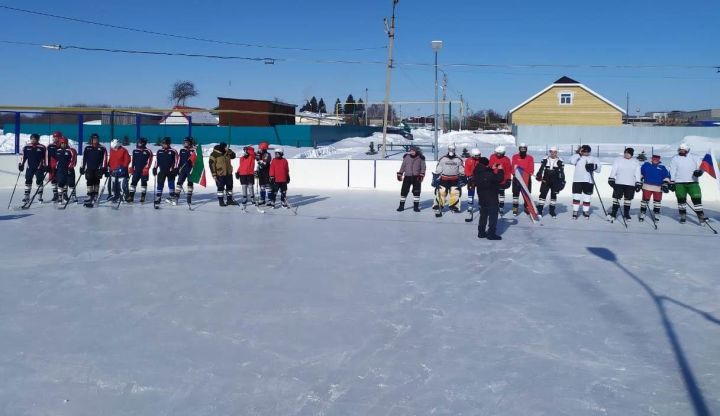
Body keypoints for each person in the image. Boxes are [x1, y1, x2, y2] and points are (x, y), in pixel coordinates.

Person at [669, 143, 705, 223]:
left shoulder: (695, 157)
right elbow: (672, 170)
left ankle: (701, 216)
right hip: (679, 183)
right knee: (681, 200)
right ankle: (683, 216)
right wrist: (672, 182)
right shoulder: (675, 158)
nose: (681, 151)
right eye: (680, 149)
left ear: (687, 150)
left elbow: (702, 167)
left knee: (697, 200)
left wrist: (700, 172)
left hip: (693, 182)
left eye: (683, 149)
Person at [473, 156, 504, 240]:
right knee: (493, 216)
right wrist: (500, 170)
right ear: (486, 164)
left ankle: (481, 232)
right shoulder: (488, 173)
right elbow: (499, 178)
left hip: (482, 198)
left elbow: (485, 175)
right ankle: (491, 234)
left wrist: (491, 168)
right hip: (492, 198)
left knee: (483, 215)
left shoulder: (476, 172)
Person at [608, 147, 642, 222]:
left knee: (628, 199)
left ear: (631, 154)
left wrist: (638, 183)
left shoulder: (635, 162)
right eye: (625, 153)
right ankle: (613, 213)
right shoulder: (618, 160)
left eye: (628, 153)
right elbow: (614, 169)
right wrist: (611, 178)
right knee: (616, 198)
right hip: (619, 182)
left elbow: (637, 173)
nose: (626, 154)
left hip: (630, 184)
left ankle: (626, 214)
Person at [569, 144, 601, 219]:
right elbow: (572, 161)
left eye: (587, 151)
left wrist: (594, 167)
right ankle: (575, 211)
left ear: (589, 152)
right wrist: (579, 154)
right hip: (577, 180)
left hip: (589, 181)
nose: (586, 153)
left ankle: (585, 211)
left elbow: (599, 170)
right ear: (581, 151)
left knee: (587, 196)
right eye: (584, 151)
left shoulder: (594, 159)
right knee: (576, 196)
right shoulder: (577, 157)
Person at [432, 143, 465, 216]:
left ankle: (454, 206)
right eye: (450, 149)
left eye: (453, 149)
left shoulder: (458, 159)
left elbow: (461, 169)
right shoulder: (443, 158)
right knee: (441, 192)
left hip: (455, 179)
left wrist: (463, 175)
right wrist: (436, 176)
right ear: (448, 149)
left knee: (455, 193)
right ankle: (438, 205)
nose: (451, 151)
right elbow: (439, 168)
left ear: (454, 150)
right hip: (444, 179)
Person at [535, 146, 565, 218]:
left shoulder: (560, 160)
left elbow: (562, 172)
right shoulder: (545, 159)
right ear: (550, 152)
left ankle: (552, 211)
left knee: (553, 196)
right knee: (543, 194)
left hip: (555, 180)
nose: (553, 154)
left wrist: (562, 181)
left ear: (556, 153)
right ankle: (540, 210)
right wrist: (539, 174)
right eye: (551, 152)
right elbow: (541, 168)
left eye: (555, 152)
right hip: (546, 179)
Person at [639, 154, 671, 222]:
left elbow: (666, 176)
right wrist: (640, 180)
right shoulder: (646, 165)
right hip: (647, 186)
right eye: (654, 159)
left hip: (658, 188)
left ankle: (656, 213)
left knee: (657, 202)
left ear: (659, 160)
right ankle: (642, 213)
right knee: (644, 201)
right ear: (652, 159)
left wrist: (665, 183)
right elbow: (641, 173)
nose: (655, 160)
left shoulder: (662, 167)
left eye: (657, 159)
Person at [80, 133, 108, 208]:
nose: (95, 140)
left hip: (98, 168)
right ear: (91, 140)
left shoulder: (102, 148)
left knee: (96, 181)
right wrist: (82, 167)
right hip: (89, 168)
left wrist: (103, 169)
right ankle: (89, 195)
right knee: (89, 180)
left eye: (96, 139)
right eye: (94, 139)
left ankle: (95, 195)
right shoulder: (87, 148)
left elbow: (104, 159)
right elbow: (84, 158)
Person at [19, 133, 47, 203]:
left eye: (35, 139)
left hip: (39, 168)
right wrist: (21, 165)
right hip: (30, 167)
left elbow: (45, 158)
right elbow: (23, 157)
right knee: (28, 181)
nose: (33, 140)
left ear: (38, 139)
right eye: (32, 139)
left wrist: (46, 166)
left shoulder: (42, 147)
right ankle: (26, 196)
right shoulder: (26, 147)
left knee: (39, 181)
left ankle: (40, 197)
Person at [396, 145, 426, 212]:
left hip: (416, 177)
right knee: (404, 191)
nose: (412, 152)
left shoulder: (421, 158)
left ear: (416, 151)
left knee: (416, 192)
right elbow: (403, 166)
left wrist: (422, 174)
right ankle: (401, 206)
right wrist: (400, 173)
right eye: (411, 151)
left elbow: (423, 168)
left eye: (413, 151)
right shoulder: (406, 157)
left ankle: (416, 207)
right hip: (407, 177)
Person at [209, 142, 237, 206]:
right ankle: (221, 201)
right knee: (220, 188)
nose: (227, 148)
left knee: (229, 187)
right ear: (222, 147)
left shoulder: (227, 153)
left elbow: (234, 156)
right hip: (220, 174)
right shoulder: (214, 154)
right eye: (225, 147)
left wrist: (229, 151)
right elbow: (211, 164)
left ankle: (229, 200)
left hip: (228, 173)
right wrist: (214, 174)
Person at [153, 137, 179, 206]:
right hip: (162, 171)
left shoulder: (173, 151)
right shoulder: (159, 151)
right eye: (162, 143)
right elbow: (157, 161)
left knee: (171, 184)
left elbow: (177, 161)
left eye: (164, 144)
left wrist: (176, 169)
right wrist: (155, 168)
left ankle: (172, 197)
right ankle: (158, 197)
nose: (163, 145)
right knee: (160, 184)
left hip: (171, 171)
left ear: (168, 144)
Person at [510, 143, 535, 216]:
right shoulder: (515, 156)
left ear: (526, 149)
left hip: (526, 178)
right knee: (515, 195)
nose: (523, 150)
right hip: (517, 178)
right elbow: (513, 166)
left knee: (526, 194)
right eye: (521, 149)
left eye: (524, 149)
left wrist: (530, 172)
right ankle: (515, 209)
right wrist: (514, 173)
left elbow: (531, 168)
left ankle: (526, 207)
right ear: (519, 149)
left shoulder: (530, 157)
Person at [128, 137, 153, 203]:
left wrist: (147, 168)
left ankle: (143, 196)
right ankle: (131, 196)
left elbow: (150, 161)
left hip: (144, 171)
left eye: (140, 142)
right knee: (133, 183)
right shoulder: (135, 150)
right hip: (136, 170)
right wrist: (131, 167)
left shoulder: (148, 151)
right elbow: (133, 160)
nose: (139, 143)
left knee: (143, 183)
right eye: (138, 142)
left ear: (144, 143)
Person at [488, 145, 512, 214]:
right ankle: (493, 206)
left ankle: (501, 207)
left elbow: (508, 171)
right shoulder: (492, 157)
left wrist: (508, 179)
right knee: (492, 194)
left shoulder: (506, 159)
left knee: (501, 193)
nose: (498, 155)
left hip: (502, 179)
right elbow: (489, 166)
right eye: (497, 153)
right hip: (493, 179)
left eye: (500, 153)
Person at [174, 136, 196, 205]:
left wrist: (192, 160)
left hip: (191, 170)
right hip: (183, 170)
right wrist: (177, 168)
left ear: (190, 143)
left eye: (186, 142)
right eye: (184, 142)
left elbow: (198, 161)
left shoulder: (194, 150)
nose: (185, 143)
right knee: (179, 183)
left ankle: (189, 198)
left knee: (190, 184)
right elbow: (179, 160)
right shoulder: (182, 150)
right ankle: (176, 198)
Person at [55, 137, 77, 202]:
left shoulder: (71, 150)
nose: (63, 144)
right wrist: (55, 168)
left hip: (69, 170)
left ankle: (73, 196)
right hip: (60, 170)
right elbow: (56, 160)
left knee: (71, 183)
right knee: (61, 183)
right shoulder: (57, 151)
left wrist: (70, 167)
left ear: (67, 143)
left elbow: (73, 160)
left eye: (64, 143)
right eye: (62, 143)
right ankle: (60, 197)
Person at [463, 148, 481, 213]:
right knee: (471, 192)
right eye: (477, 155)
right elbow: (466, 170)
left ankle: (481, 204)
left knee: (480, 192)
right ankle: (470, 205)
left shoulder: (481, 160)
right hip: (471, 179)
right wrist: (469, 176)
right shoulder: (468, 160)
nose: (478, 157)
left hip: (479, 179)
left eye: (479, 155)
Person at [255, 141, 273, 205]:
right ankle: (262, 199)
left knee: (268, 186)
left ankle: (270, 200)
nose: (259, 150)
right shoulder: (259, 154)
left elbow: (264, 164)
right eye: (259, 148)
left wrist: (259, 160)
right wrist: (257, 171)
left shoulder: (267, 154)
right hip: (261, 173)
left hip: (266, 172)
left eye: (260, 148)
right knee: (262, 186)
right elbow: (257, 161)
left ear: (264, 148)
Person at [47, 131, 62, 202]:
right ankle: (55, 194)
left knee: (61, 180)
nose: (55, 139)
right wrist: (47, 166)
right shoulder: (50, 146)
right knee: (53, 180)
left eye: (57, 137)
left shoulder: (63, 145)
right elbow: (47, 156)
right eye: (54, 137)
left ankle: (61, 195)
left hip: (60, 166)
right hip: (52, 166)